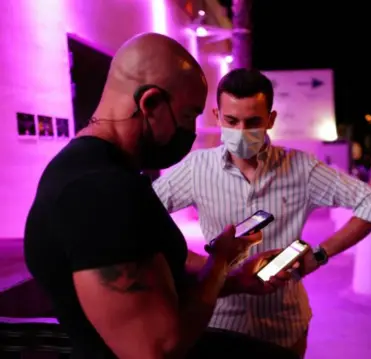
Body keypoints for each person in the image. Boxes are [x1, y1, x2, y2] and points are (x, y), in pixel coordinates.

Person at [23, 33, 290, 359]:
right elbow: (158, 348)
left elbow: (157, 281)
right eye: (190, 115)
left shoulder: (89, 170)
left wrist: (233, 281)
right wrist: (220, 262)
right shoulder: (100, 193)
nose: (191, 131)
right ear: (150, 104)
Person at [152, 68, 371, 356]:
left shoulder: (301, 168)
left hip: (283, 325)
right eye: (231, 120)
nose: (241, 132)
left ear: (270, 119)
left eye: (252, 122)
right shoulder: (196, 168)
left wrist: (320, 255)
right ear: (217, 117)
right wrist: (201, 264)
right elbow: (140, 213)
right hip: (219, 322)